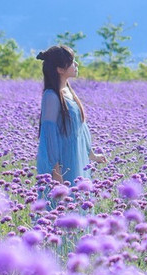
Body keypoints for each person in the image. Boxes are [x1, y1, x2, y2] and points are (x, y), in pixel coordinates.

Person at [35, 45, 106, 204]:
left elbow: (80, 129)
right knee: (62, 212)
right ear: (60, 69)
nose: (76, 65)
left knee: (78, 207)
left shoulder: (67, 91)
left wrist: (92, 154)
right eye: (72, 61)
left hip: (77, 158)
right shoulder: (51, 97)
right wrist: (56, 174)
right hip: (64, 164)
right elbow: (49, 137)